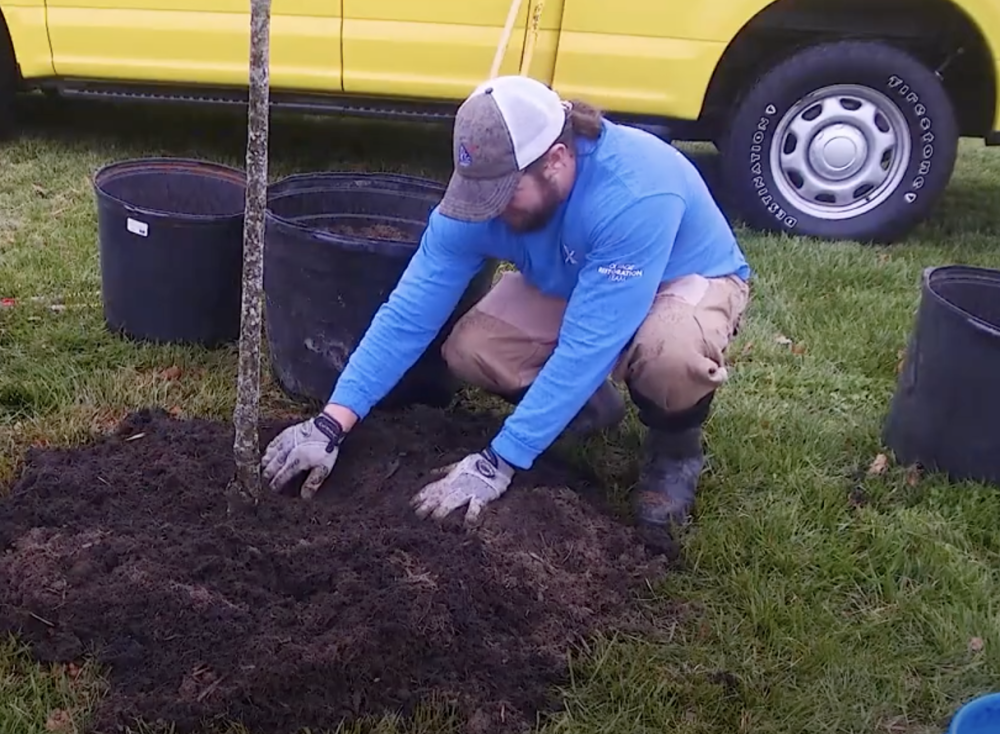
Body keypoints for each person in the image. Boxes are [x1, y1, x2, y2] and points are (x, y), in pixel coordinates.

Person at [261, 74, 751, 538]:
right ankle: (585, 409)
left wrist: (497, 463)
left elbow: (589, 342)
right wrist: (330, 423)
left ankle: (674, 448)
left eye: (502, 193)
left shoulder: (633, 191)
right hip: (574, 276)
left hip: (681, 279)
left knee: (668, 353)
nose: (487, 209)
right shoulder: (481, 196)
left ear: (556, 159)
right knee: (474, 348)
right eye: (479, 193)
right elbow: (408, 313)